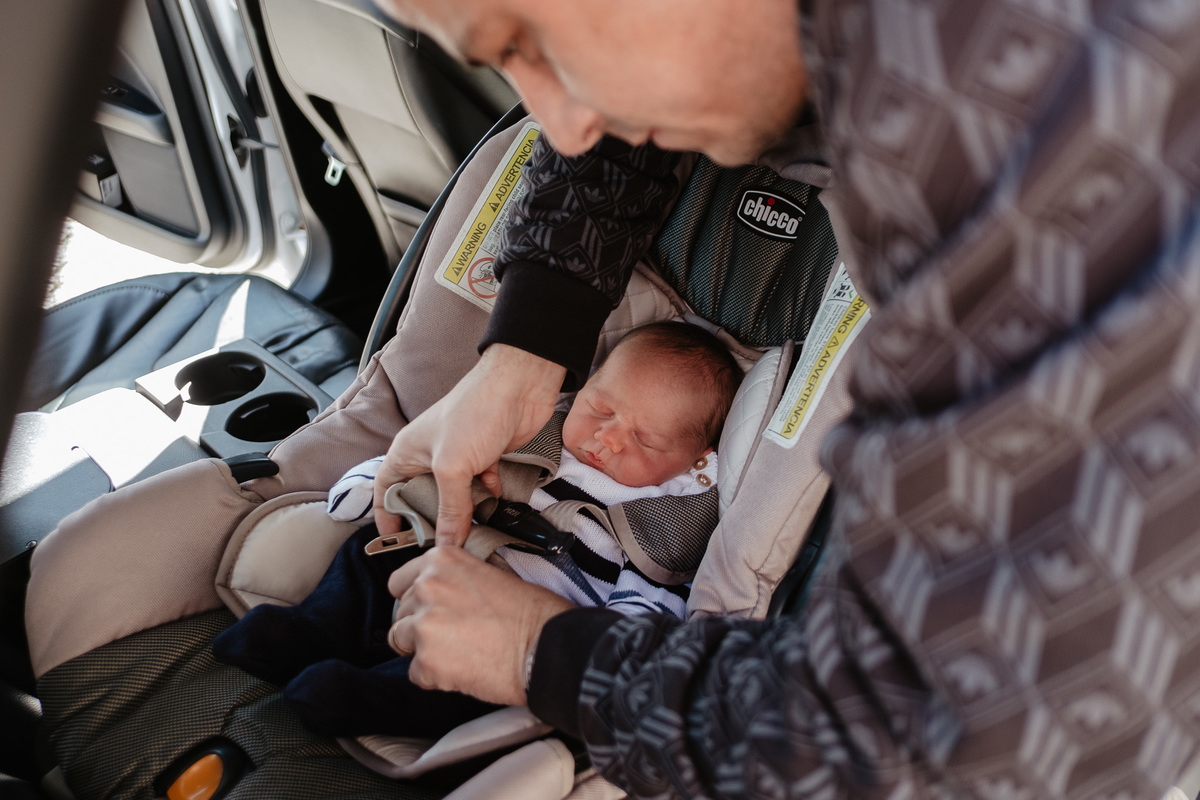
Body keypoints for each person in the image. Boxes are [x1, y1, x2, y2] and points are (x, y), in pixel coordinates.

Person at [371, 0, 1200, 797]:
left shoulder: (1025, 167)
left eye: (531, 42)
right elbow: (629, 56)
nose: (564, 123)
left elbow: (960, 744)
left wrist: (539, 651)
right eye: (505, 59)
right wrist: (527, 347)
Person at [212, 321, 740, 739]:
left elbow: (642, 619)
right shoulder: (537, 430)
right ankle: (315, 629)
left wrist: (585, 644)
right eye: (600, 408)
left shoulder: (669, 527)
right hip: (443, 555)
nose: (606, 438)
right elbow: (448, 456)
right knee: (372, 551)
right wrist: (382, 477)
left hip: (507, 626)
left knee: (474, 683)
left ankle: (375, 696)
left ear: (698, 460)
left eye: (645, 441)